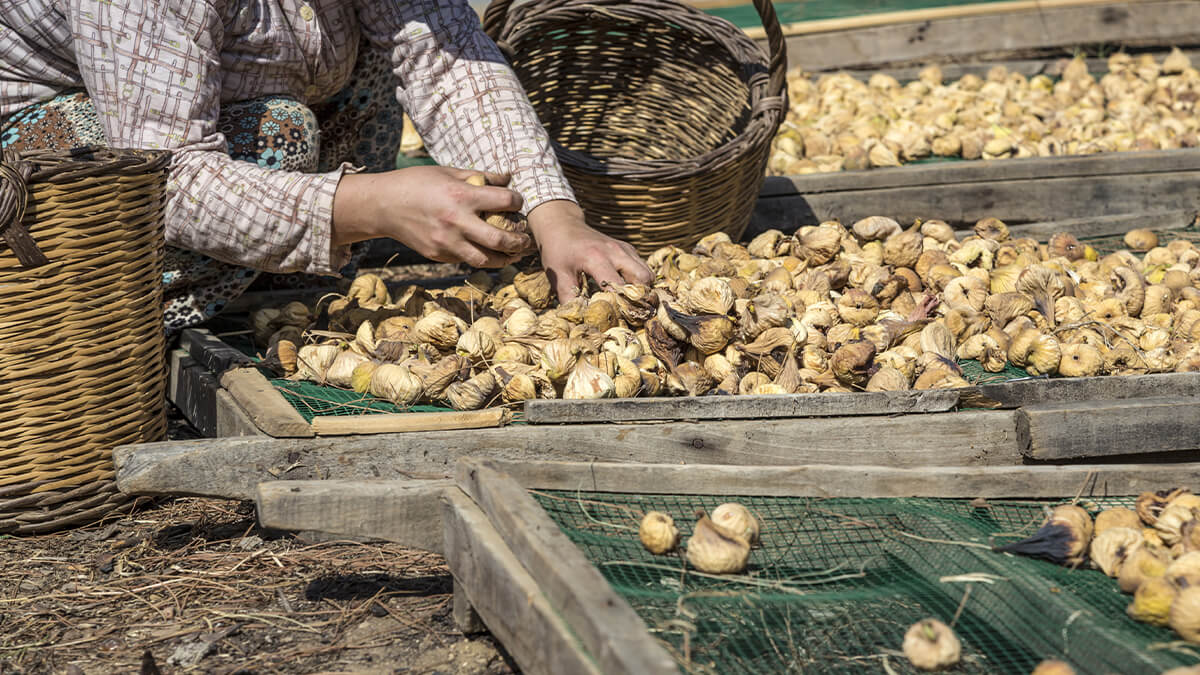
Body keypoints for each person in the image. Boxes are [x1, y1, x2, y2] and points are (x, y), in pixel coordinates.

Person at [0, 0, 652, 331]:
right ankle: (139, 325)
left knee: (372, 56)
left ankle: (270, 285)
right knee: (283, 135)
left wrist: (556, 216)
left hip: (231, 96)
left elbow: (443, 54)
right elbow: (167, 175)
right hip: (53, 155)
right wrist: (371, 205)